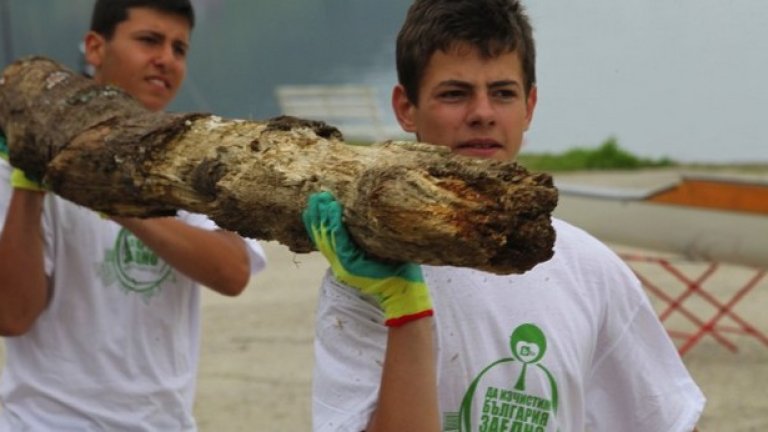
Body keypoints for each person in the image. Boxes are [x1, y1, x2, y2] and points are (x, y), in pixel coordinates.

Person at [302, 0, 706, 431]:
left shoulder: (589, 268)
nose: (482, 114)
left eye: (503, 93)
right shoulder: (367, 281)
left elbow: (667, 419)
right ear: (406, 107)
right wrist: (406, 311)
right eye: (454, 94)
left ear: (529, 106)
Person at [0, 0, 266, 430]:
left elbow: (232, 272)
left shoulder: (190, 154)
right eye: (149, 40)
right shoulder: (17, 164)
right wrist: (29, 177)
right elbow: (11, 315)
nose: (166, 59)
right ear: (94, 47)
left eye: (180, 48)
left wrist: (115, 196)